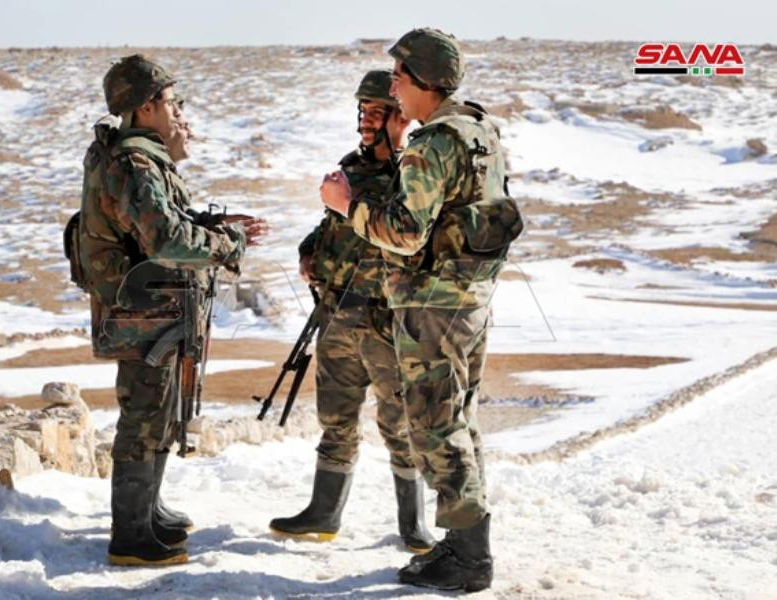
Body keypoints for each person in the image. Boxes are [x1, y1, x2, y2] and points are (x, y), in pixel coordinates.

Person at [320, 29, 523, 592]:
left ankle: (468, 558)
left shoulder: (432, 143)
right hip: (470, 299)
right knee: (459, 419)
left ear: (424, 81)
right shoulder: (479, 129)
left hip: (432, 304)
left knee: (435, 425)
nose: (393, 89)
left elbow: (406, 234)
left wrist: (348, 205)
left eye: (399, 78)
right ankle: (463, 541)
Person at [78, 54, 266, 566]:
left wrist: (214, 225)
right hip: (144, 312)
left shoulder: (137, 158)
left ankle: (147, 512)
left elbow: (161, 222)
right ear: (145, 107)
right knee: (144, 416)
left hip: (152, 309)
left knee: (160, 412)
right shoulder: (134, 163)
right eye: (169, 101)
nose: (176, 110)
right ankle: (131, 535)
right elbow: (164, 239)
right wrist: (226, 244)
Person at [269, 70, 435, 553]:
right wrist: (309, 252)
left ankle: (414, 525)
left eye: (376, 112)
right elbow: (331, 227)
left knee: (399, 423)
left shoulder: (414, 175)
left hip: (388, 322)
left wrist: (352, 207)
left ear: (400, 118)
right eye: (363, 111)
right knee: (335, 418)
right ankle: (323, 514)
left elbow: (410, 239)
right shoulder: (350, 168)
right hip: (339, 315)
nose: (366, 121)